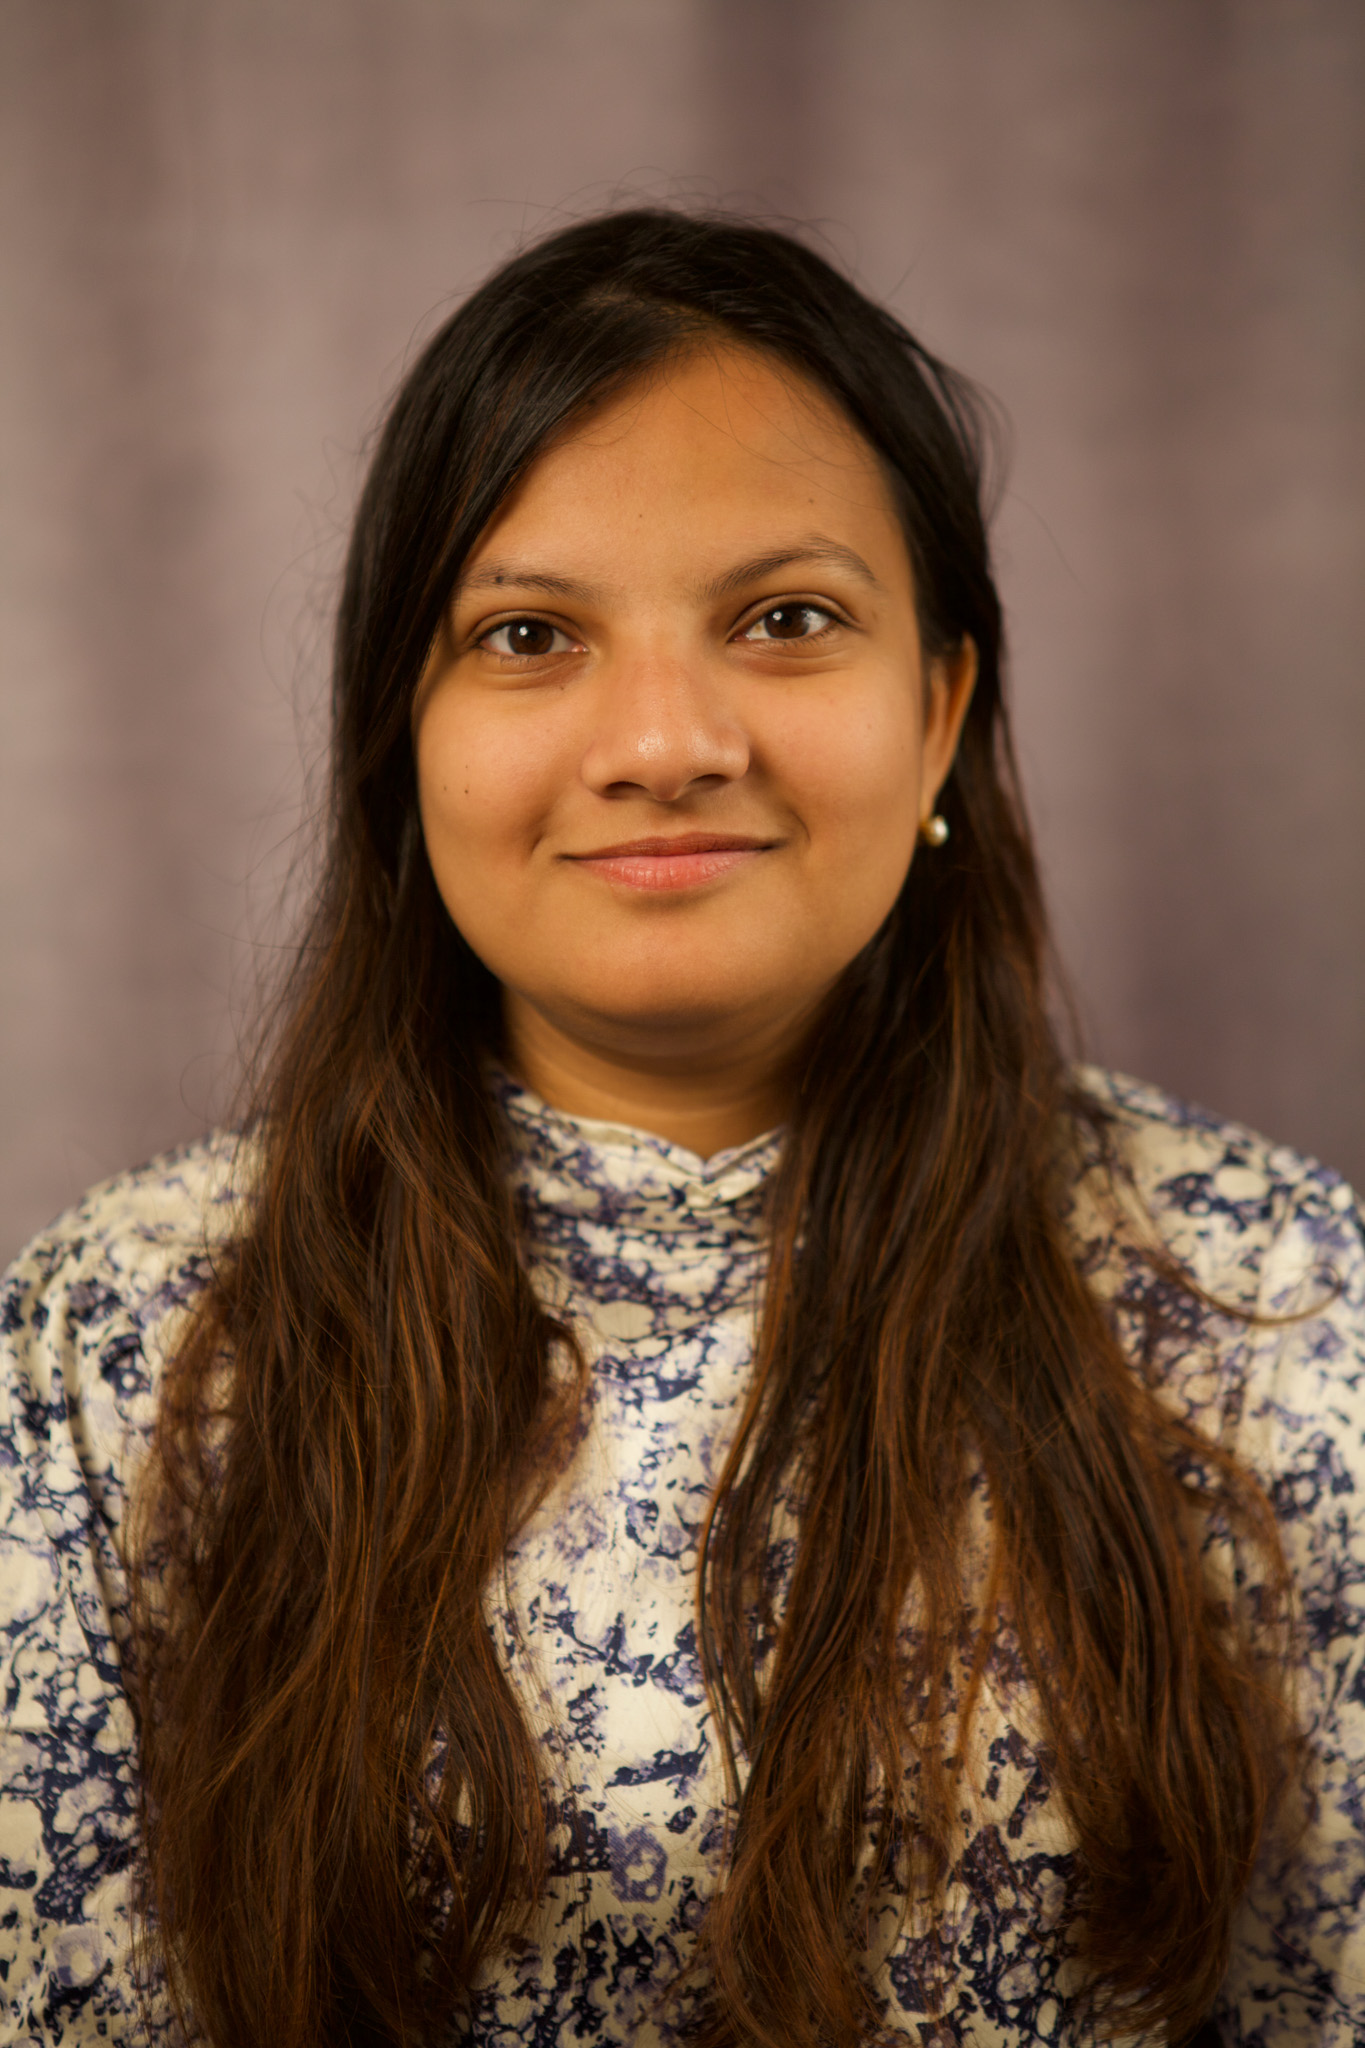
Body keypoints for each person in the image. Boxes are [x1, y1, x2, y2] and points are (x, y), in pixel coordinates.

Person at [1, 208, 1362, 2048]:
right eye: (529, 633)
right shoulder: (125, 1343)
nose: (661, 740)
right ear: (401, 736)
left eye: (785, 619)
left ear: (941, 705)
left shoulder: (1264, 1303)